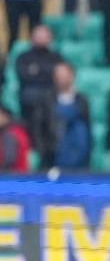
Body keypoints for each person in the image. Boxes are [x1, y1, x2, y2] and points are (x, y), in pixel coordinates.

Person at [16, 24, 63, 166]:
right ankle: (37, 149)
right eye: (39, 34)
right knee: (35, 100)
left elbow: (59, 77)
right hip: (30, 104)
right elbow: (24, 76)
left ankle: (50, 152)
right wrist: (46, 74)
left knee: (50, 104)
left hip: (51, 102)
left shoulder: (56, 57)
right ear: (31, 38)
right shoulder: (23, 57)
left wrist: (37, 72)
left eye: (45, 35)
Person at [49, 62, 91, 170]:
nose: (61, 79)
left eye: (64, 75)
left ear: (72, 76)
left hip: (79, 160)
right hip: (54, 157)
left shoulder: (82, 100)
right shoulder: (47, 101)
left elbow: (87, 129)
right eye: (58, 76)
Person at [0, 105, 31, 172]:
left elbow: (8, 159)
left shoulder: (9, 134)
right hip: (21, 174)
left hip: (11, 176)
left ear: (5, 116)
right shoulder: (18, 130)